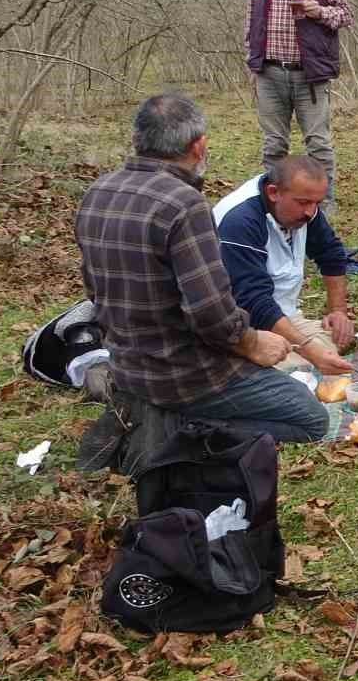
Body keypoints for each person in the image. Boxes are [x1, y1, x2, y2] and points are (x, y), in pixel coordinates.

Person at [74, 93, 326, 443]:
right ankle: (180, 429)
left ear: (138, 139)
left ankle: (151, 412)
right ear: (199, 146)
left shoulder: (97, 193)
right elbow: (210, 313)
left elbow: (94, 292)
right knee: (312, 419)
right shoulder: (183, 204)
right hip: (188, 377)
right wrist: (253, 344)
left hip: (128, 368)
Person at [245, 0, 353, 209]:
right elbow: (251, 21)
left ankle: (323, 206)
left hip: (310, 75)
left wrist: (318, 11)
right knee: (273, 144)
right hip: (269, 71)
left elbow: (346, 15)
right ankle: (273, 204)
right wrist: (251, 61)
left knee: (318, 143)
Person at [214, 155, 355, 375]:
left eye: (316, 203)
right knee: (303, 363)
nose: (310, 212)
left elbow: (331, 254)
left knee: (335, 339)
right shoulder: (240, 220)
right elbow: (253, 300)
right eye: (303, 203)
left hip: (285, 315)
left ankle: (294, 363)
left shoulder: (306, 207)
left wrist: (338, 311)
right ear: (273, 192)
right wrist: (310, 350)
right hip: (243, 326)